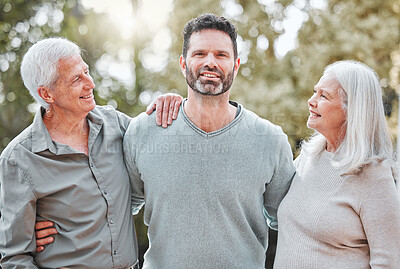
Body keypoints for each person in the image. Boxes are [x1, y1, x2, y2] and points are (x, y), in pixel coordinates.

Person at [123, 14, 295, 269]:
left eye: (221, 55)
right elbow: (116, 208)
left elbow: (294, 222)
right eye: (200, 54)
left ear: (236, 65)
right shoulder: (143, 132)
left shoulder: (270, 140)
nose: (210, 63)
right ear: (183, 63)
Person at [0, 37, 182, 268]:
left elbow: (158, 142)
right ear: (47, 94)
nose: (90, 83)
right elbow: (15, 258)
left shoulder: (116, 124)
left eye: (86, 72)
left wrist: (171, 102)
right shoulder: (18, 159)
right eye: (77, 79)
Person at [274, 60, 400, 268]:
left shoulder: (375, 176)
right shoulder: (309, 156)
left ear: (352, 109)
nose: (311, 101)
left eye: (323, 96)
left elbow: (389, 262)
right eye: (315, 92)